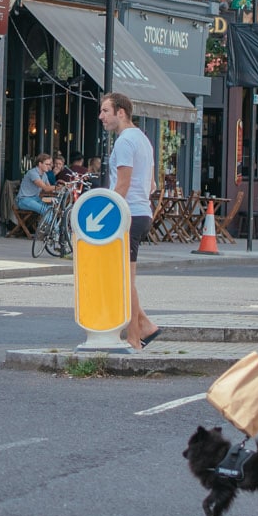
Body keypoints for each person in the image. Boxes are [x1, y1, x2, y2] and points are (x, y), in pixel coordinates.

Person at [102, 94, 161, 348]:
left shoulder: (124, 142)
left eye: (105, 111)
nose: (101, 116)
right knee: (125, 278)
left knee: (125, 281)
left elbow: (123, 184)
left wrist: (106, 213)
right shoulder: (143, 140)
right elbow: (152, 185)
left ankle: (136, 337)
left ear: (121, 112)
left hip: (128, 215)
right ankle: (144, 325)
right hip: (141, 212)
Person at [16, 153, 56, 239]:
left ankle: (53, 231)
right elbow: (45, 188)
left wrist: (59, 189)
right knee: (45, 210)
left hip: (35, 199)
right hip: (24, 200)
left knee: (51, 209)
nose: (49, 166)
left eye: (50, 164)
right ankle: (55, 233)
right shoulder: (32, 173)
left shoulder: (44, 175)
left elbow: (50, 189)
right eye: (47, 164)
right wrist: (58, 187)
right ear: (40, 164)